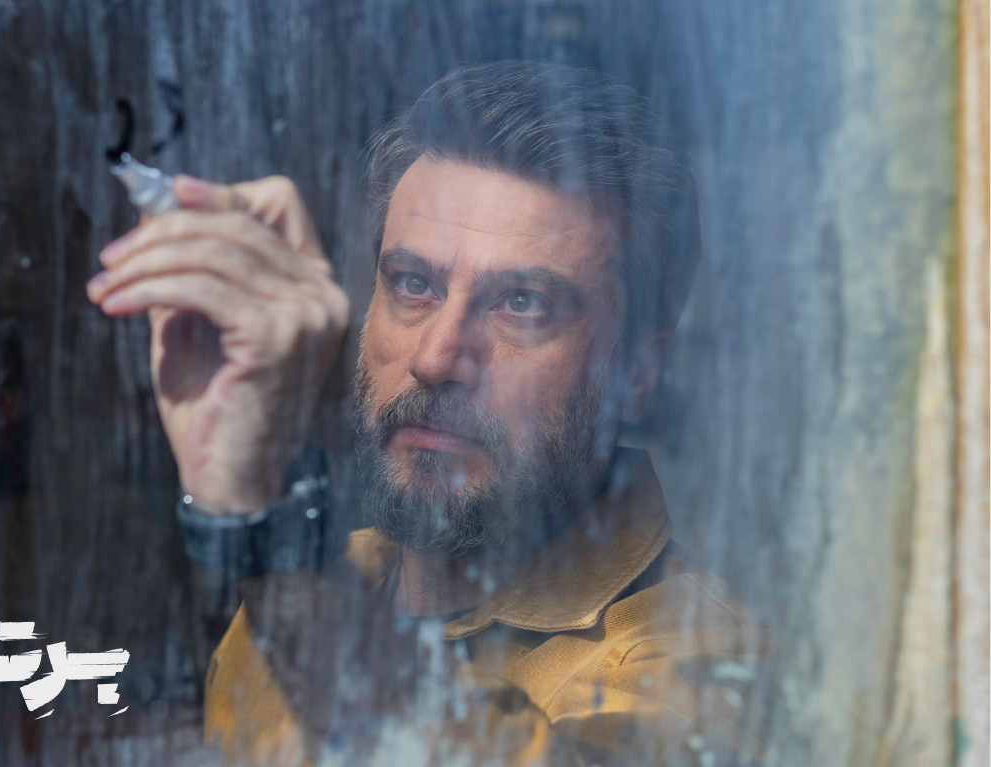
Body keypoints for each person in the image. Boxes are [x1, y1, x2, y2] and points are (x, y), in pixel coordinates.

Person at [87, 60, 766, 766]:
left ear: (636, 374)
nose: (437, 358)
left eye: (523, 304)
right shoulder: (324, 583)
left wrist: (272, 543)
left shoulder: (702, 663)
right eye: (414, 284)